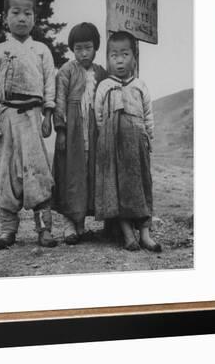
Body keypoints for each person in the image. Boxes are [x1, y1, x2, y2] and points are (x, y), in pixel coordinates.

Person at [0, 0, 58, 250]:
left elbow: (49, 85)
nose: (22, 18)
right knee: (6, 172)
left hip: (33, 118)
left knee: (38, 171)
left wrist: (48, 114)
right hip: (7, 118)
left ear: (35, 18)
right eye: (16, 13)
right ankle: (7, 230)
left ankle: (44, 229)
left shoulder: (42, 50)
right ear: (5, 17)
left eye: (28, 13)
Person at [94, 31, 161, 252]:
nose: (120, 60)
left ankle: (145, 234)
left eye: (125, 54)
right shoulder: (104, 86)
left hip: (137, 142)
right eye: (114, 55)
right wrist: (105, 138)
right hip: (112, 145)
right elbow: (99, 115)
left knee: (141, 185)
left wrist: (148, 136)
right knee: (118, 188)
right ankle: (127, 235)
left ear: (134, 57)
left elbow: (148, 114)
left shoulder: (140, 86)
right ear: (108, 58)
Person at [53, 22, 107, 245]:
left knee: (87, 176)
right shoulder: (66, 71)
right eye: (78, 48)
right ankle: (68, 225)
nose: (84, 53)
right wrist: (62, 131)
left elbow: (106, 100)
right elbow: (59, 102)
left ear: (96, 48)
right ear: (72, 49)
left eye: (88, 48)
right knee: (70, 176)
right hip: (72, 132)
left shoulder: (101, 72)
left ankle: (81, 225)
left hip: (93, 133)